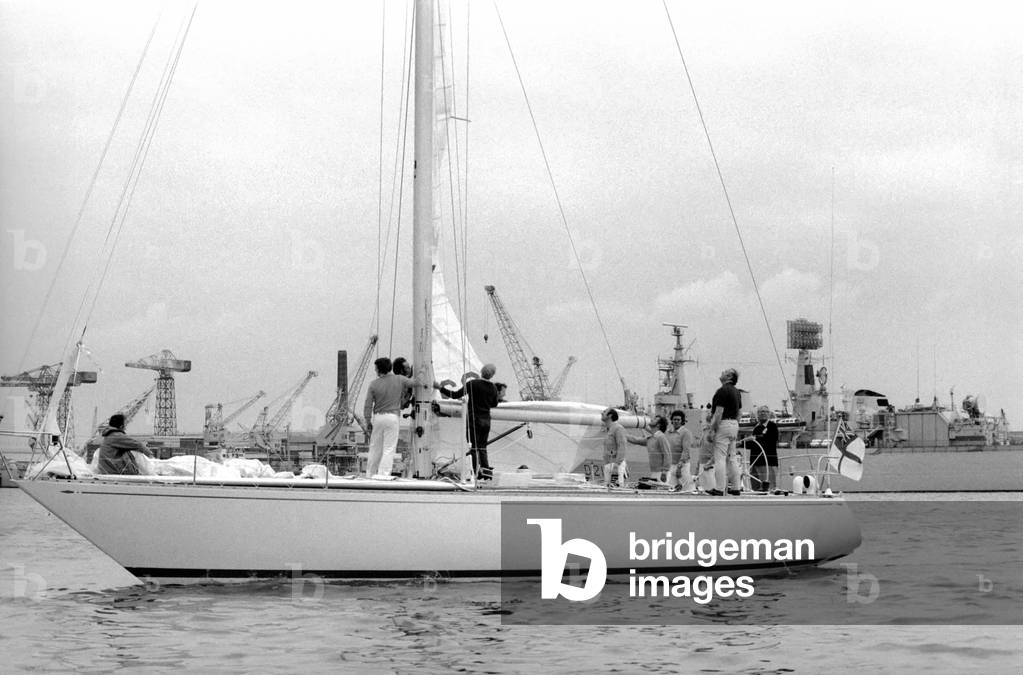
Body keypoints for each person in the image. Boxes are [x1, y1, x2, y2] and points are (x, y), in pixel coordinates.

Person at [435, 363, 500, 479]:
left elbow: (455, 395)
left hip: (474, 419)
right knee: (482, 447)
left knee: (473, 447)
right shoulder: (493, 388)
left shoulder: (472, 384)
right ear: (492, 375)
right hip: (486, 420)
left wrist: (440, 388)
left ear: (481, 371)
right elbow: (494, 403)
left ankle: (476, 473)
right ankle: (486, 473)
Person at [364, 357, 414, 477]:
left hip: (378, 417)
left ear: (378, 370)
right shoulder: (399, 379)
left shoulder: (373, 384)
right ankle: (384, 474)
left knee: (375, 448)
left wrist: (367, 420)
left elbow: (368, 405)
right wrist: (422, 371)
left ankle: (370, 474)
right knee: (389, 448)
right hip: (392, 417)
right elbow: (416, 383)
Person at [707, 368, 742, 496]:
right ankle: (736, 487)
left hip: (724, 424)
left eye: (724, 372)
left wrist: (712, 430)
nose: (721, 372)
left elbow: (718, 412)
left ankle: (720, 488)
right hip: (734, 424)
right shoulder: (737, 392)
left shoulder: (722, 391)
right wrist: (734, 424)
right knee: (732, 457)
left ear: (729, 377)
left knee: (720, 458)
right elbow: (739, 413)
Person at [628, 414, 672, 482]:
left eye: (655, 419)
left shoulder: (661, 437)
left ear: (658, 425)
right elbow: (635, 440)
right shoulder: (651, 438)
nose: (651, 420)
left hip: (661, 473)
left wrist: (664, 471)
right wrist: (623, 434)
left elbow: (667, 454)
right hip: (655, 472)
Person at [748, 405, 779, 493]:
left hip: (768, 462)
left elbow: (771, 440)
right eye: (761, 411)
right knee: (755, 488)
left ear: (769, 414)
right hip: (755, 462)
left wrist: (755, 439)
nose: (763, 413)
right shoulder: (756, 427)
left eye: (766, 411)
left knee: (768, 489)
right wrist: (742, 443)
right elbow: (753, 443)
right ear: (758, 414)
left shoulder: (772, 426)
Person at [665, 410, 695, 491]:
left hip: (682, 466)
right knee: (671, 489)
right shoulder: (668, 432)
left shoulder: (686, 433)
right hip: (671, 465)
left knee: (687, 490)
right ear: (671, 420)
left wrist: (679, 467)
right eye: (674, 419)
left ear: (682, 421)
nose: (676, 421)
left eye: (678, 420)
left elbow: (686, 451)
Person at [601, 407, 629, 488]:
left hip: (616, 465)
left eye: (604, 412)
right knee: (608, 488)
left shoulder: (618, 428)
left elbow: (622, 446)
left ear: (610, 415)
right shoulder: (609, 430)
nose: (602, 413)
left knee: (616, 489)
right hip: (609, 465)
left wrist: (617, 464)